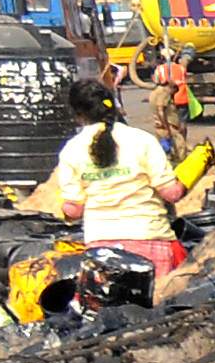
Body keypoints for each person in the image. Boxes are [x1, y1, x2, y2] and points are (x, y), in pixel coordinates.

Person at [35, 83, 190, 272]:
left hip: (100, 246)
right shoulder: (142, 140)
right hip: (149, 238)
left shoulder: (71, 150)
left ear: (77, 114)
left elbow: (74, 210)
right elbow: (171, 193)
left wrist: (62, 208)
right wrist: (193, 172)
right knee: (159, 292)